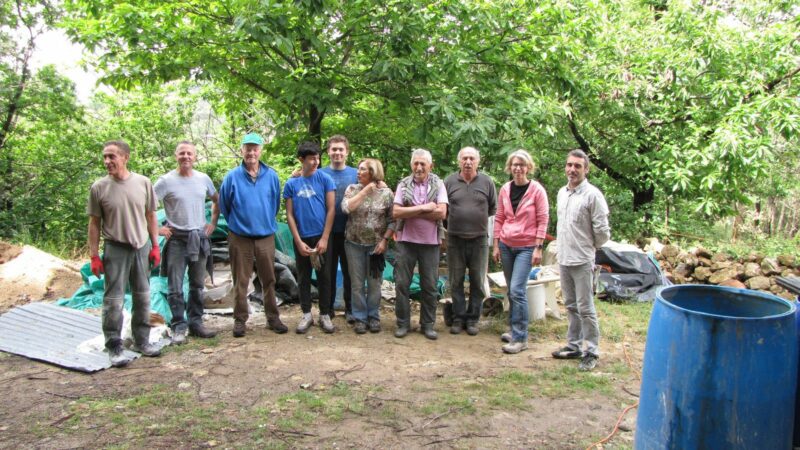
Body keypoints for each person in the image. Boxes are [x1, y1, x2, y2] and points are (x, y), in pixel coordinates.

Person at [87, 140, 162, 367]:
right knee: (113, 300)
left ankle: (142, 341)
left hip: (141, 247)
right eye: (105, 157)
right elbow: (94, 223)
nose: (107, 161)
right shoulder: (99, 188)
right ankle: (115, 346)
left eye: (112, 156)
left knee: (143, 296)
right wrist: (93, 256)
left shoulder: (143, 183)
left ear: (125, 157)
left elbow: (151, 216)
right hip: (115, 248)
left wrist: (155, 245)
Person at [218, 132, 288, 338]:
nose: (251, 152)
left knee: (269, 279)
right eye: (247, 148)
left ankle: (273, 318)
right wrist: (240, 224)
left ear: (260, 151)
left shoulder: (272, 176)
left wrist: (263, 221)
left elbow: (275, 204)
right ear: (242, 150)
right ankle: (240, 321)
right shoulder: (232, 177)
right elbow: (225, 206)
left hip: (266, 236)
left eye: (255, 148)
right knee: (241, 280)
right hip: (240, 237)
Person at [154, 141, 220, 345]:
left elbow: (217, 199)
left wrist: (213, 223)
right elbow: (145, 206)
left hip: (198, 238)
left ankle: (196, 323)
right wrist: (157, 229)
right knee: (174, 286)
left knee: (197, 285)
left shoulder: (203, 179)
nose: (186, 157)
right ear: (176, 156)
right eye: (182, 153)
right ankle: (178, 326)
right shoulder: (166, 181)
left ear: (195, 156)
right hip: (177, 240)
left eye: (189, 153)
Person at [551, 149, 610, 371]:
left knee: (586, 307)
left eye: (577, 166)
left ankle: (591, 351)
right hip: (564, 258)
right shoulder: (562, 193)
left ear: (586, 169)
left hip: (583, 260)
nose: (572, 169)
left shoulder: (593, 195)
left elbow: (603, 232)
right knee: (570, 305)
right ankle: (573, 346)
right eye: (569, 165)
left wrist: (589, 246)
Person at [493, 150, 549, 354]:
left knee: (517, 289)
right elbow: (499, 217)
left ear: (528, 167)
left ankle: (521, 337)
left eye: (522, 165)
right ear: (510, 167)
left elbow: (543, 219)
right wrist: (496, 245)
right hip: (507, 245)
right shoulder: (505, 189)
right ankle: (514, 329)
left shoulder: (536, 190)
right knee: (511, 289)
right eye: (515, 164)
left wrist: (538, 247)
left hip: (527, 246)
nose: (518, 168)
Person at [392, 149, 448, 340]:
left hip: (431, 243)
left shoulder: (439, 184)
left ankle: (428, 325)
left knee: (430, 285)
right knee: (401, 284)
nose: (419, 167)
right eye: (416, 163)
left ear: (430, 166)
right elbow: (396, 213)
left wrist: (410, 211)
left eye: (423, 164)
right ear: (411, 165)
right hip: (405, 241)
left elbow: (441, 213)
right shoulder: (403, 184)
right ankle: (403, 324)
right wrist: (424, 207)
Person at [284, 141, 336, 334]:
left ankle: (325, 314)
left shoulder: (325, 179)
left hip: (321, 236)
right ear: (301, 159)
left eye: (317, 158)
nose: (315, 162)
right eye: (311, 158)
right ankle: (306, 313)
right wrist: (297, 241)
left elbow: (331, 210)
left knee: (325, 276)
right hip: (302, 237)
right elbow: (289, 214)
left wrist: (324, 238)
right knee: (303, 277)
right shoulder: (292, 183)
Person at [444, 147, 497, 336]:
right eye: (464, 158)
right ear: (459, 161)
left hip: (479, 239)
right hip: (455, 239)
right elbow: (444, 209)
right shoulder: (449, 181)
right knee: (455, 280)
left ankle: (473, 319)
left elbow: (492, 208)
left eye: (471, 158)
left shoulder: (487, 182)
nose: (468, 162)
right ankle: (458, 318)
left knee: (478, 280)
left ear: (478, 161)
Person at [341, 158, 395, 334]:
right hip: (353, 244)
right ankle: (360, 318)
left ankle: (373, 317)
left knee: (374, 284)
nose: (358, 172)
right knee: (357, 284)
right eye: (358, 168)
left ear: (372, 172)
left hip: (376, 247)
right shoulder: (352, 189)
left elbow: (393, 220)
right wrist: (364, 192)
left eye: (362, 169)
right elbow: (346, 208)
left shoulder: (386, 194)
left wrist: (385, 240)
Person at [319, 135, 358, 323]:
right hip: (326, 232)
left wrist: (380, 183)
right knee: (328, 271)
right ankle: (327, 309)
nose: (337, 153)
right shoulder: (320, 173)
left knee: (350, 272)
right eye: (334, 149)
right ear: (328, 151)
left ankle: (350, 308)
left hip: (350, 231)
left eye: (341, 149)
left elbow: (372, 184)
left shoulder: (356, 173)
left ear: (347, 152)